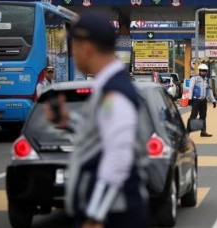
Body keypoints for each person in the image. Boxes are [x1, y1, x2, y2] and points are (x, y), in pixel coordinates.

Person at [45, 12, 149, 228]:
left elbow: (119, 157)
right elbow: (104, 136)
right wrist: (69, 122)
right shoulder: (108, 87)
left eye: (73, 45)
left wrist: (94, 216)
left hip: (113, 216)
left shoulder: (115, 93)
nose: (72, 53)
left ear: (87, 47)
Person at [188, 63, 216, 137]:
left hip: (203, 101)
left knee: (203, 116)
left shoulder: (207, 80)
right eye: (202, 71)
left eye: (205, 71)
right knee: (193, 116)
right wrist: (190, 98)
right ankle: (187, 132)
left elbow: (210, 90)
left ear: (206, 72)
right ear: (199, 71)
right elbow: (190, 88)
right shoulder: (194, 78)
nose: (203, 72)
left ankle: (203, 132)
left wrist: (213, 100)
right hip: (196, 100)